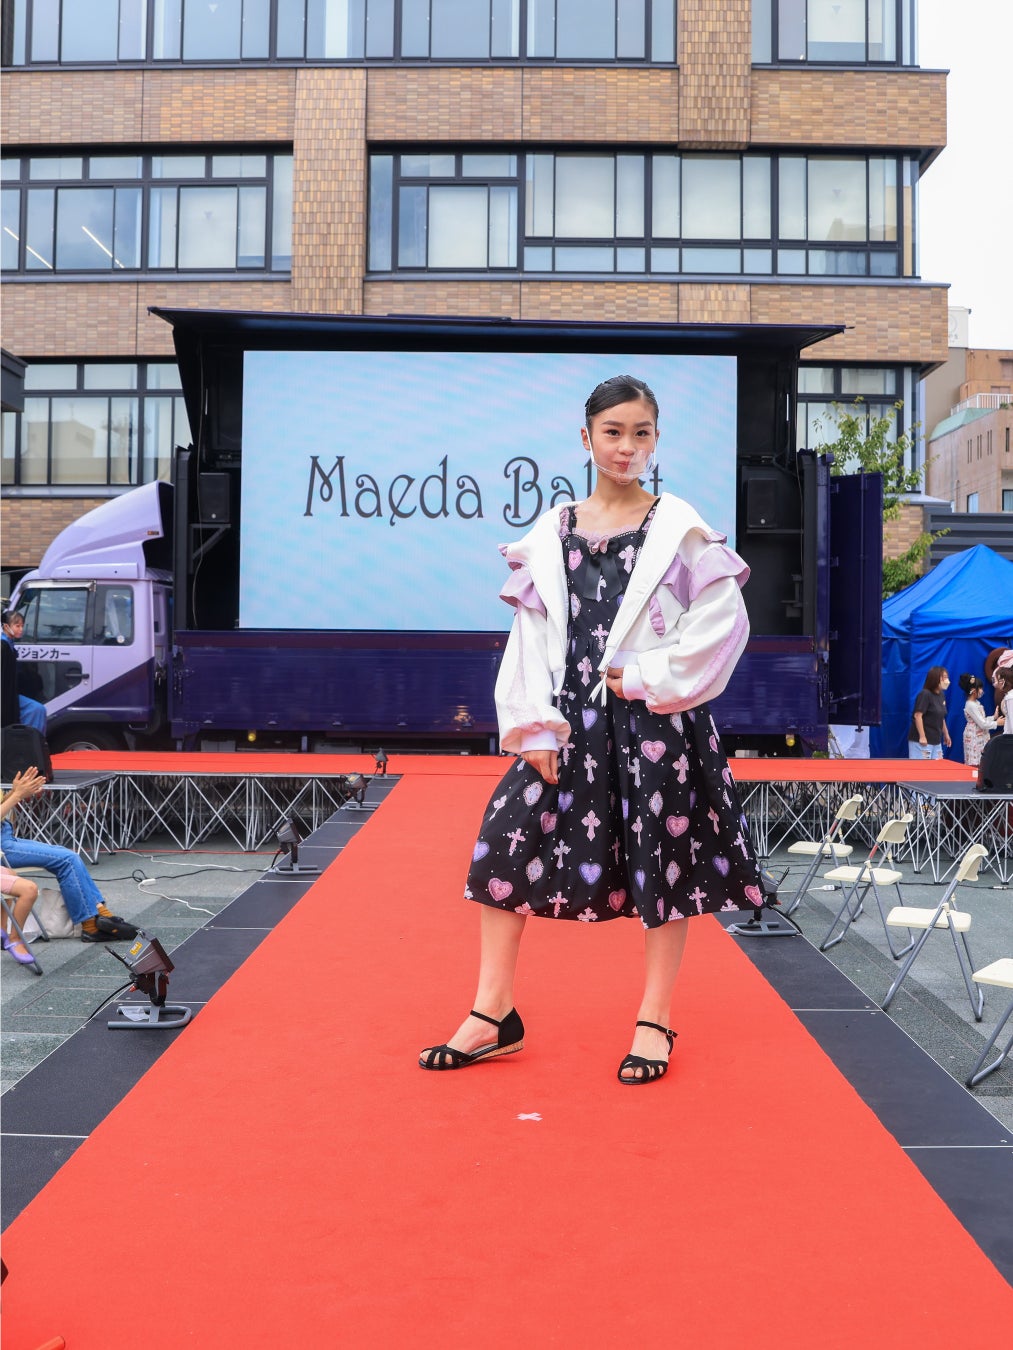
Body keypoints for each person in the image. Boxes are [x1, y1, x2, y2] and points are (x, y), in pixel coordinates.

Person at [419, 374, 765, 1085]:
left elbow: (725, 624)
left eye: (640, 433)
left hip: (654, 723)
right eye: (612, 433)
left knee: (664, 864)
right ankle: (493, 1013)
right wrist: (532, 728)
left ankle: (654, 1019)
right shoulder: (551, 531)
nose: (625, 447)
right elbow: (529, 634)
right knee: (501, 847)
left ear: (656, 441)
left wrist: (648, 675)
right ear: (586, 439)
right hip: (567, 719)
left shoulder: (679, 528)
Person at [0, 766, 136, 942]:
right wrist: (17, 795)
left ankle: (100, 915)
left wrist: (15, 792)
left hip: (6, 836)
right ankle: (92, 924)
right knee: (68, 859)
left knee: (67, 855)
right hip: (3, 845)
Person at [1, 606, 47, 732]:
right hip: (4, 697)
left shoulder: (9, 645)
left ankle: (30, 739)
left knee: (37, 709)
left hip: (10, 695)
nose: (21, 629)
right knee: (36, 709)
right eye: (17, 626)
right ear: (6, 626)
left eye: (22, 625)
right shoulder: (3, 647)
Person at [907, 666, 951, 760]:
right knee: (921, 768)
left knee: (937, 767)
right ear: (935, 678)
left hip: (936, 741)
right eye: (944, 677)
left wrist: (946, 734)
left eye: (947, 677)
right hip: (922, 742)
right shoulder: (925, 694)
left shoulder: (941, 695)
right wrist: (922, 736)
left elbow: (941, 717)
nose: (947, 680)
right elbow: (918, 716)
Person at [959, 673, 1002, 766]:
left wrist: (993, 717)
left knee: (982, 760)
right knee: (975, 762)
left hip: (980, 735)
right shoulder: (970, 705)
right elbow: (982, 724)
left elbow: (981, 720)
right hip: (974, 736)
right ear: (973, 690)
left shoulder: (976, 703)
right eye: (980, 688)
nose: (982, 691)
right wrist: (997, 723)